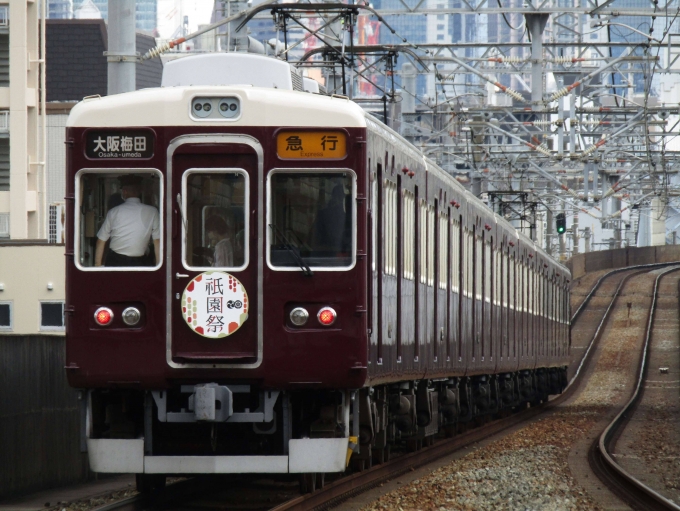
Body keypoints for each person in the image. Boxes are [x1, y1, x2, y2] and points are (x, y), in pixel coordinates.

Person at [95, 175, 160, 267]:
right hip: (139, 263)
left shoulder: (114, 212)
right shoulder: (153, 211)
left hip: (115, 262)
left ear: (124, 192)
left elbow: (101, 240)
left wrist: (97, 266)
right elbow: (157, 241)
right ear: (140, 191)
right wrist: (158, 266)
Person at [311, 184, 348, 253]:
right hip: (327, 254)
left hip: (324, 254)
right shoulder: (323, 214)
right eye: (339, 197)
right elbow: (313, 239)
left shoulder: (322, 213)